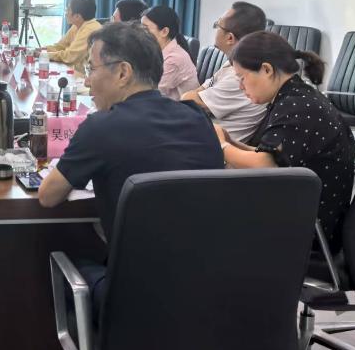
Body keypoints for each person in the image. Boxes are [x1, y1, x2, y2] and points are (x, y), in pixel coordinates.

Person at [38, 23, 224, 314]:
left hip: (135, 299)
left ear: (123, 73)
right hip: (207, 292)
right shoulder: (198, 119)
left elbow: (48, 196)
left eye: (91, 69)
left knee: (54, 260)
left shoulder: (101, 128)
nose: (88, 81)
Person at [215, 30, 355, 253]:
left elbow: (266, 165)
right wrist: (231, 142)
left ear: (267, 70)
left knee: (208, 208)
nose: (241, 86)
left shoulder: (297, 106)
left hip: (309, 230)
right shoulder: (296, 96)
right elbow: (274, 156)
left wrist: (222, 147)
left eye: (242, 78)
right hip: (305, 212)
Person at [181, 1, 267, 142]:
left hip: (210, 148)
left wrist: (196, 95)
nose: (215, 29)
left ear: (230, 38)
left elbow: (187, 100)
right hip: (199, 137)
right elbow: (200, 91)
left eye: (217, 25)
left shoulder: (240, 77)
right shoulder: (233, 63)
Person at [141, 5, 199, 100]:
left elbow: (151, 92)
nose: (140, 33)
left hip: (180, 108)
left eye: (145, 29)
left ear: (164, 31)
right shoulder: (158, 50)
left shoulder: (174, 59)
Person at [44, 0, 102, 74]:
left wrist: (44, 55)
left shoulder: (90, 29)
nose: (66, 13)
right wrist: (42, 50)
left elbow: (70, 56)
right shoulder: (77, 25)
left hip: (90, 76)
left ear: (77, 16)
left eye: (68, 10)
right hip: (79, 73)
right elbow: (60, 46)